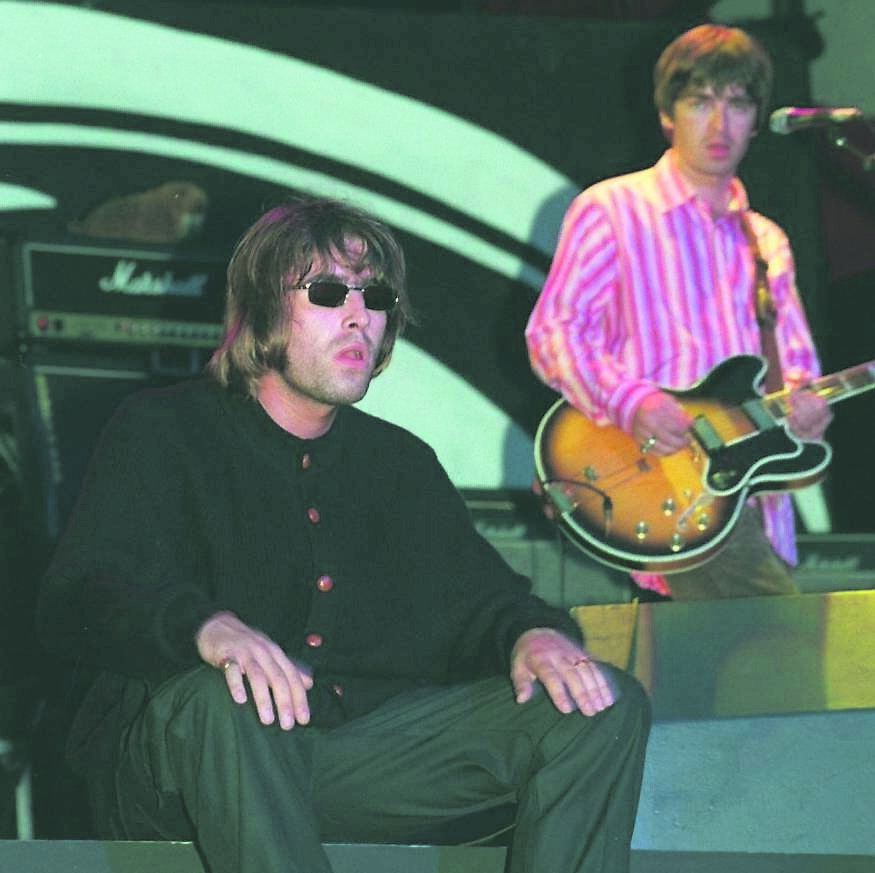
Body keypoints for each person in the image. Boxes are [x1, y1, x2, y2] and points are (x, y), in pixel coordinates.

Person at [36, 197, 650, 873]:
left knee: (597, 705)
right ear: (262, 309)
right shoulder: (164, 429)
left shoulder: (399, 463)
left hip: (344, 762)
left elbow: (484, 603)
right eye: (329, 293)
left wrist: (530, 634)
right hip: (182, 765)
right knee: (231, 692)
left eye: (376, 297)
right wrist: (206, 629)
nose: (361, 316)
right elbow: (83, 595)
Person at [525, 23, 833, 600]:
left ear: (755, 119)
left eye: (737, 104)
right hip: (665, 487)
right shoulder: (613, 209)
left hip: (754, 510)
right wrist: (634, 402)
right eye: (700, 102)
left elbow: (796, 372)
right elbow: (553, 333)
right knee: (790, 645)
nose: (720, 124)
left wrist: (808, 411)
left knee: (728, 659)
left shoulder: (767, 241)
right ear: (668, 114)